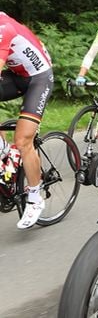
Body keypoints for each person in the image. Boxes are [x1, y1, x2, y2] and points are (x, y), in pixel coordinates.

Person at [0, 12, 53, 229]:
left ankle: (34, 197)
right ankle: (4, 151)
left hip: (39, 78)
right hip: (18, 75)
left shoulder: (3, 28)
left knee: (22, 141)